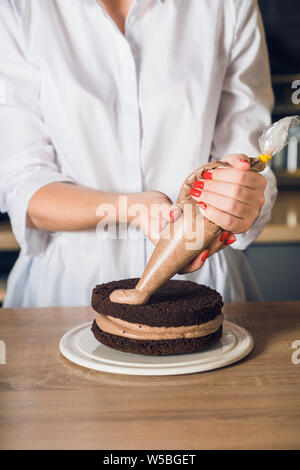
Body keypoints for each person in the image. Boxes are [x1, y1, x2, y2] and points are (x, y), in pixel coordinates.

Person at [0, 0, 277, 307]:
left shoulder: (229, 6)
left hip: (202, 288)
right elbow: (22, 186)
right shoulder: (19, 9)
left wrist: (241, 199)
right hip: (63, 297)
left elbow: (249, 162)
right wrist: (134, 209)